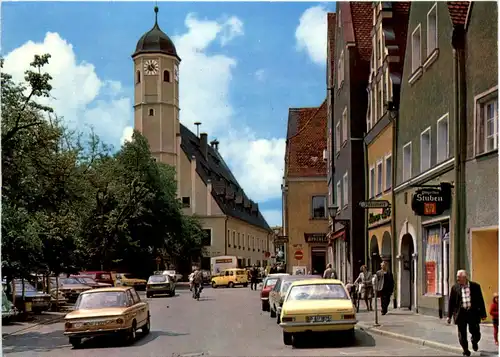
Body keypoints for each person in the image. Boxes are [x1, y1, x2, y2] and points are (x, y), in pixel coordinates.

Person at [447, 269, 487, 356]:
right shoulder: (455, 288)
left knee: (476, 332)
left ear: (465, 277)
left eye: (459, 277)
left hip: (473, 313)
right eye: (457, 277)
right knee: (462, 335)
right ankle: (465, 350)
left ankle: (474, 341)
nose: (457, 279)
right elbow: (451, 303)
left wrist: (483, 314)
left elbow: (480, 300)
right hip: (460, 314)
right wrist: (449, 316)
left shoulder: (475, 286)